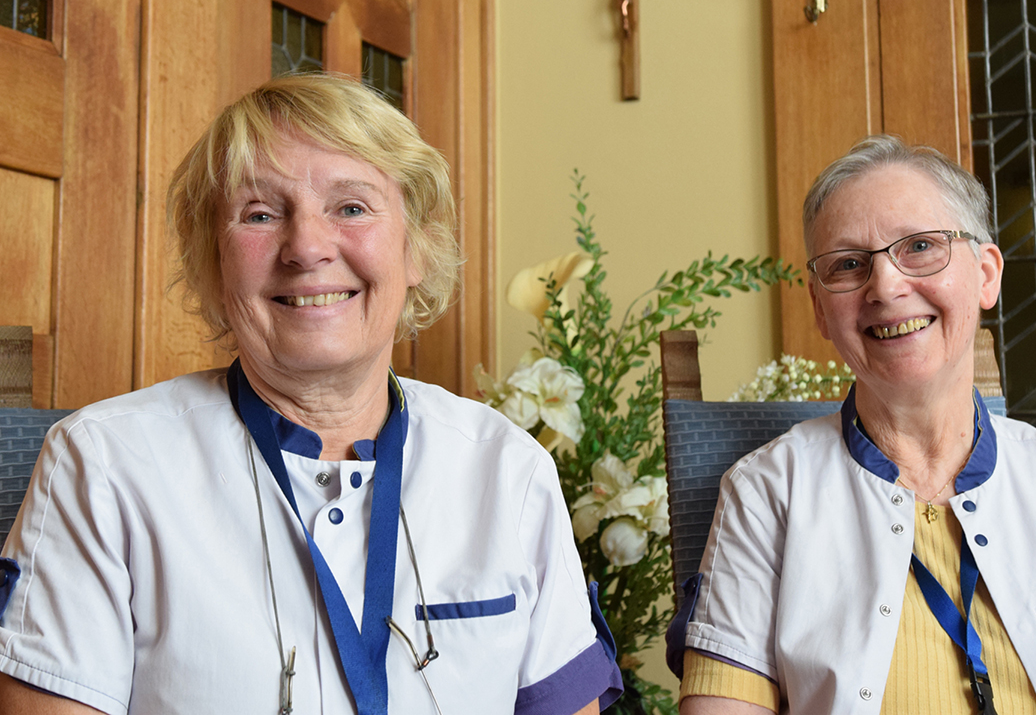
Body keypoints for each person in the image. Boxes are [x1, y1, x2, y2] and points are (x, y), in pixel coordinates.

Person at [0, 74, 622, 715]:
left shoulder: (509, 469)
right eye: (261, 215)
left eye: (351, 207)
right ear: (215, 263)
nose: (306, 248)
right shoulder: (102, 465)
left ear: (417, 248)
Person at [670, 135, 1036, 714]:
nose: (886, 287)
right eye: (848, 264)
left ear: (986, 274)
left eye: (920, 246)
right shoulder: (767, 494)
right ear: (821, 309)